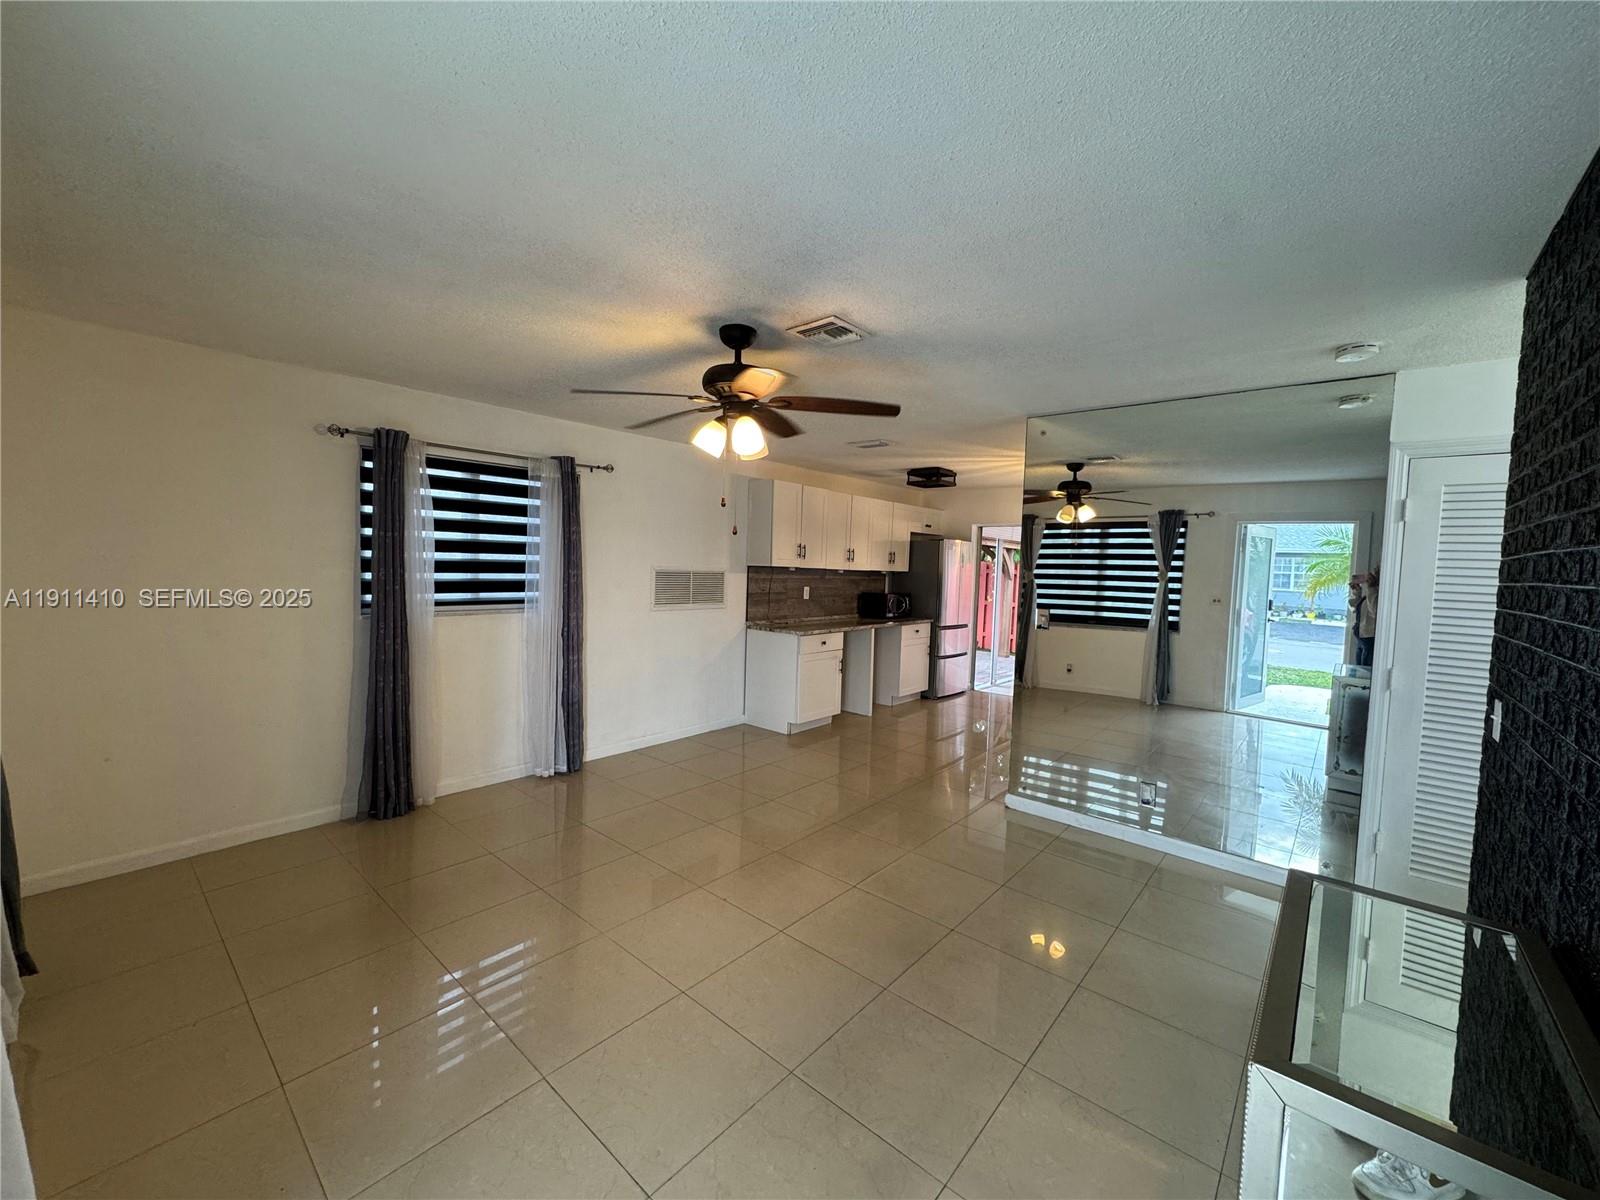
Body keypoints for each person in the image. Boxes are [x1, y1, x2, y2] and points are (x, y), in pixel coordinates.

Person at [1348, 568, 1379, 668]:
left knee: (1365, 673)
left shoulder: (1376, 593)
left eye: (1376, 572)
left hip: (1370, 640)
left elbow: (1375, 610)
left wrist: (1371, 588)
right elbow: (1354, 608)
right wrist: (1357, 592)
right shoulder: (1370, 594)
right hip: (1362, 639)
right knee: (1359, 671)